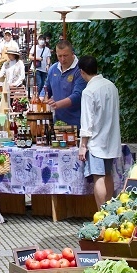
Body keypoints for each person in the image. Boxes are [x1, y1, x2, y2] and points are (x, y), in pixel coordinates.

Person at [76, 56, 122, 208]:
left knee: (99, 177)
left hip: (96, 141)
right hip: (111, 138)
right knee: (108, 174)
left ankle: (101, 213)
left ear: (82, 72)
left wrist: (83, 145)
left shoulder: (88, 91)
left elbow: (87, 121)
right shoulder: (111, 86)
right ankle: (109, 211)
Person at [45, 39, 85, 130]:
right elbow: (47, 89)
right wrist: (42, 97)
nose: (62, 59)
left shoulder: (80, 70)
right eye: (60, 56)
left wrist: (57, 104)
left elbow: (78, 95)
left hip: (76, 123)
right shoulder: (53, 69)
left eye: (65, 55)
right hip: (58, 122)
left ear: (72, 53)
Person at [0, 44, 27, 111]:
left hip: (18, 88)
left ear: (14, 55)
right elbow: (0, 74)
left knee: (18, 105)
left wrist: (15, 84)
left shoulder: (20, 63)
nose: (9, 56)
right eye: (8, 54)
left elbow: (22, 76)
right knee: (8, 105)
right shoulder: (6, 63)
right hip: (8, 88)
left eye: (10, 54)